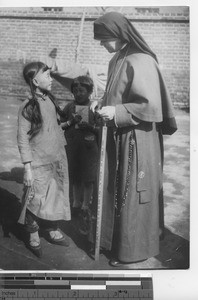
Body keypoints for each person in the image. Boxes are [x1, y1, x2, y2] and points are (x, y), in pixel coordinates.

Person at [91, 12, 177, 266]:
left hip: (137, 139)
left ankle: (133, 251)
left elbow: (149, 106)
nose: (102, 44)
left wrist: (116, 112)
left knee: (132, 194)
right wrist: (103, 103)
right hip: (120, 135)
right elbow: (117, 94)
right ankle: (115, 242)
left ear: (118, 36)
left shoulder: (141, 61)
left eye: (104, 39)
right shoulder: (118, 57)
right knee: (116, 190)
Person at [17, 61, 71, 258]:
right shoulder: (28, 106)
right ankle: (32, 233)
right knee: (35, 199)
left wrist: (70, 122)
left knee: (56, 196)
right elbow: (22, 139)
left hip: (56, 158)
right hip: (39, 163)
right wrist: (28, 169)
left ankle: (51, 228)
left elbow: (54, 127)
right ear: (34, 80)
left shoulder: (50, 100)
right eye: (46, 75)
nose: (51, 78)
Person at [61, 76, 101, 236]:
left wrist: (91, 127)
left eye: (82, 91)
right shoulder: (70, 107)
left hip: (89, 149)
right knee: (75, 176)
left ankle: (86, 204)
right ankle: (76, 203)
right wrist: (69, 121)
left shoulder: (94, 108)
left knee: (88, 178)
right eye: (75, 91)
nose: (78, 94)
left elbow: (101, 129)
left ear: (90, 92)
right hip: (74, 148)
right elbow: (61, 123)